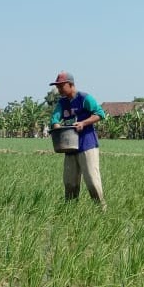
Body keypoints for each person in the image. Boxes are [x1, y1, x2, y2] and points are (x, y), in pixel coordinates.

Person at [49, 71, 107, 208]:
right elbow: (54, 118)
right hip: (69, 146)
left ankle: (101, 209)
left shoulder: (84, 98)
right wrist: (56, 126)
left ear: (70, 84)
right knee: (70, 182)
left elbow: (100, 114)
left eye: (61, 86)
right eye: (57, 87)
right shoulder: (62, 102)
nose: (58, 89)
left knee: (92, 181)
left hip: (87, 144)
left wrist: (83, 123)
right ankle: (71, 211)